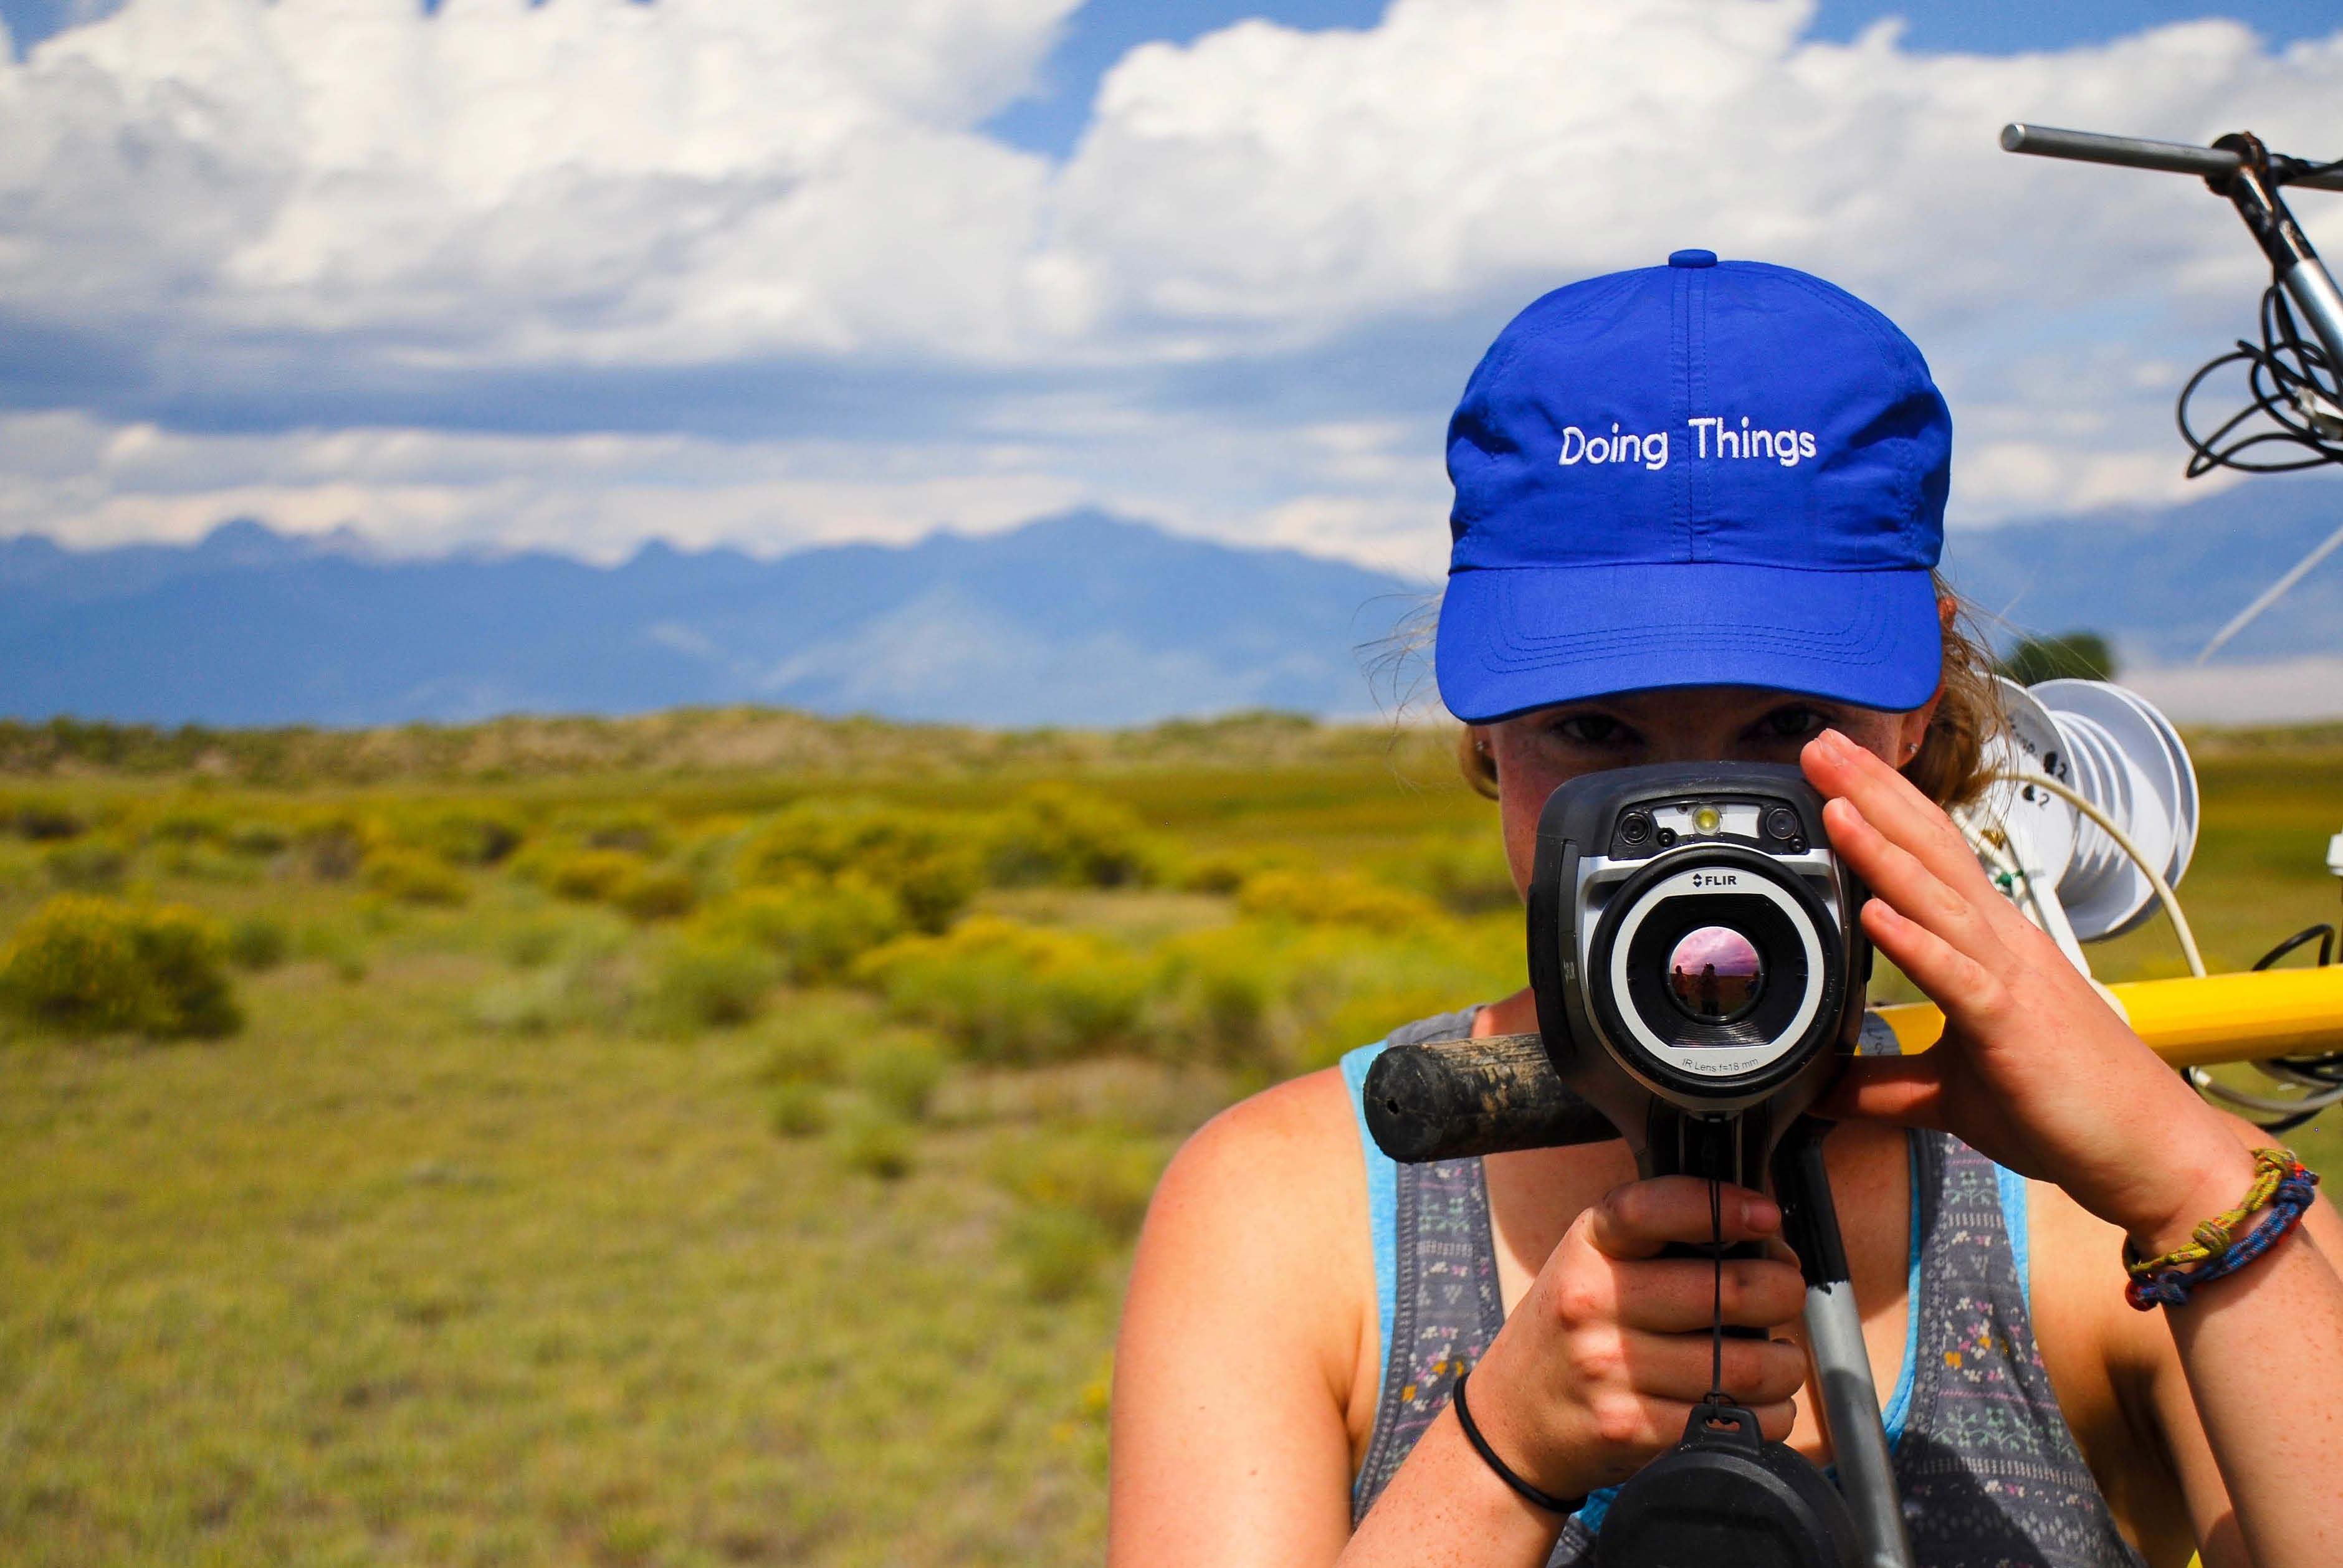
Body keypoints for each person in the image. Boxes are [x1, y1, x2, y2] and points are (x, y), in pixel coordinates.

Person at [1105, 252, 2343, 1568]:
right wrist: (1500, 1449)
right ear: (1486, 735)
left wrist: (2192, 1190)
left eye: (1787, 724)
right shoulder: (1281, 1213)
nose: (1699, 825)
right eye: (1596, 730)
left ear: (1917, 703)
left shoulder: (2107, 1207)